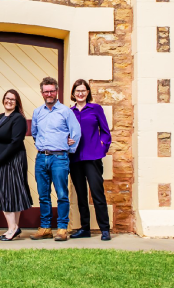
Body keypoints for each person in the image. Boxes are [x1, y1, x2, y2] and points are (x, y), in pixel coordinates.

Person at [30, 76, 82, 242]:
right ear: (42, 93)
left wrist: (69, 148)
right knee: (43, 194)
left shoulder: (65, 111)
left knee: (61, 194)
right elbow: (34, 132)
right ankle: (45, 228)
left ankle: (61, 228)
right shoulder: (37, 112)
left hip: (59, 158)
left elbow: (76, 132)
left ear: (57, 91)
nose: (49, 94)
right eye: (46, 91)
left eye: (52, 90)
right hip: (41, 158)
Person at [69, 79, 112, 241]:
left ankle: (105, 229)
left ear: (87, 92)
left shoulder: (96, 109)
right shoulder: (69, 112)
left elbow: (106, 132)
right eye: (77, 91)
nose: (80, 93)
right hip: (75, 157)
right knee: (80, 195)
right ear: (73, 93)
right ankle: (85, 228)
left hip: (93, 157)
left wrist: (102, 147)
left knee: (97, 192)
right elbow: (65, 131)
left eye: (83, 90)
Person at [0, 89, 33, 241]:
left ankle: (12, 228)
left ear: (17, 102)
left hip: (14, 160)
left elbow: (15, 143)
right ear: (3, 99)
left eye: (13, 99)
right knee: (10, 192)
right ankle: (14, 228)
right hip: (1, 159)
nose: (9, 101)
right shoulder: (0, 117)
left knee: (6, 192)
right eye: (7, 98)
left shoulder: (18, 119)